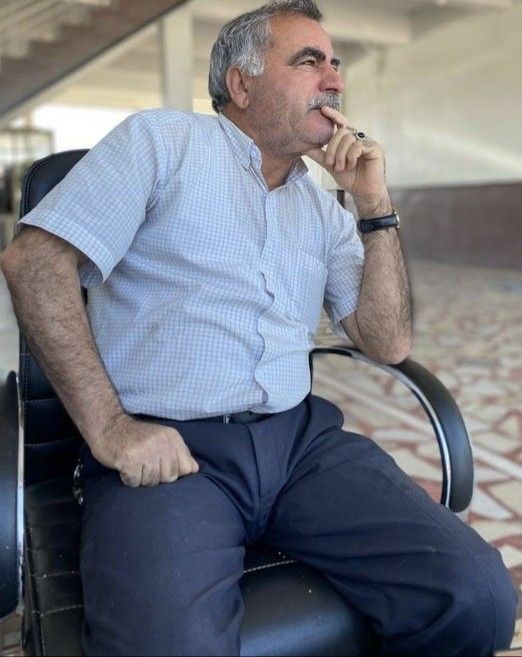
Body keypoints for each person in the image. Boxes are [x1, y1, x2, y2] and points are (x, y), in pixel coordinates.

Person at [0, 1, 517, 655]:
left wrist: (374, 206)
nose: (334, 79)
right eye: (309, 61)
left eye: (336, 64)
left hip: (300, 444)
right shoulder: (162, 143)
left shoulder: (323, 210)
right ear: (241, 85)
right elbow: (35, 261)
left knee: (478, 595)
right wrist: (109, 427)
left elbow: (387, 341)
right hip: (173, 452)